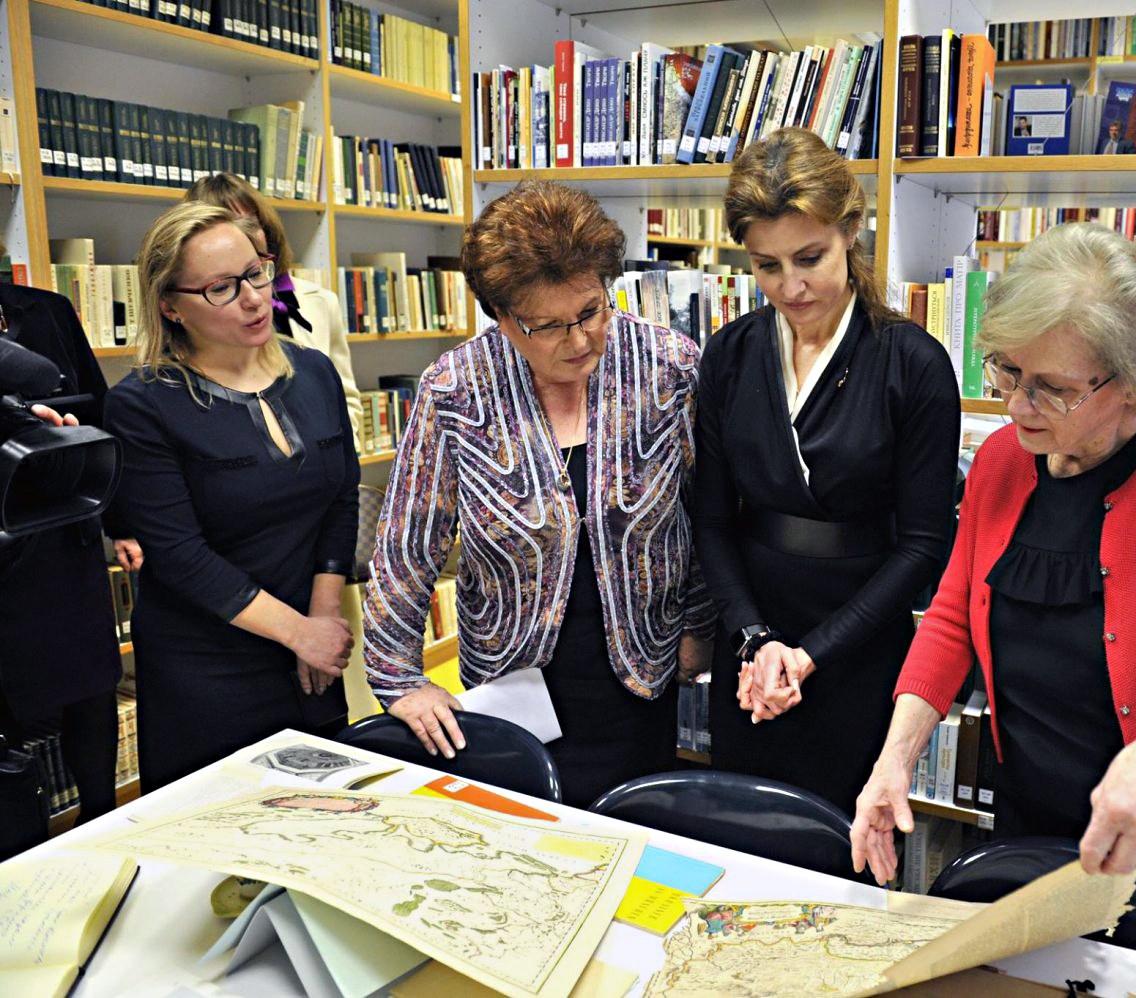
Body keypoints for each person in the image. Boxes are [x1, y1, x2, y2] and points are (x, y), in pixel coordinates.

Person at [850, 222, 1136, 883]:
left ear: (1133, 380)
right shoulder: (1002, 460)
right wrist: (894, 760)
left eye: (1052, 387)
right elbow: (950, 621)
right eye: (1008, 371)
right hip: (1025, 795)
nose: (1016, 404)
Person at [362, 181, 716, 810]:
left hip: (642, 672)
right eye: (548, 326)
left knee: (633, 833)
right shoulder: (456, 388)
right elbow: (407, 542)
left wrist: (698, 626)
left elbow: (709, 512)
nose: (578, 340)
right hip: (510, 683)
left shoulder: (669, 366)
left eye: (591, 311)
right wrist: (399, 679)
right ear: (501, 318)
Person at [693, 128, 961, 817]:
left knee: (844, 839)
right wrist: (755, 639)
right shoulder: (729, 354)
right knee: (739, 834)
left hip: (860, 642)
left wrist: (810, 655)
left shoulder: (913, 364)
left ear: (850, 232)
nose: (791, 286)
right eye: (767, 266)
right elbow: (713, 520)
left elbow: (923, 546)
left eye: (810, 258)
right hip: (751, 643)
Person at [103, 203, 358, 790]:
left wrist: (321, 618)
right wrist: (297, 631)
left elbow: (341, 498)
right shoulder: (142, 404)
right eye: (221, 288)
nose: (252, 299)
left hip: (311, 651)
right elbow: (179, 555)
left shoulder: (314, 372)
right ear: (170, 306)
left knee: (329, 814)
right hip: (207, 665)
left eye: (256, 273)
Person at [0, 270, 120, 830]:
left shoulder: (46, 308)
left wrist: (120, 522)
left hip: (63, 536)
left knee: (91, 692)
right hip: (5, 557)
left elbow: (96, 409)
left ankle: (101, 821)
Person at [184, 173, 363, 440]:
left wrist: (332, 447)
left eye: (249, 223)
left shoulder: (322, 301)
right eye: (225, 223)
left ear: (267, 228)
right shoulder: (198, 310)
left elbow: (345, 399)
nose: (240, 234)